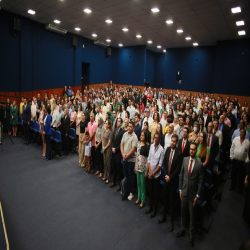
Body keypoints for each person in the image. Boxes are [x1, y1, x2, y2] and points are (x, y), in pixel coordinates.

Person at [176, 142, 204, 247]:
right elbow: (182, 175)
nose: (191, 151)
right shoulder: (184, 160)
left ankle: (191, 236)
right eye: (190, 149)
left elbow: (201, 181)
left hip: (192, 194)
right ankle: (182, 229)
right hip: (183, 192)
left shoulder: (199, 165)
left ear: (196, 151)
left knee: (192, 216)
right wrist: (180, 190)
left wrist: (197, 196)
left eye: (193, 149)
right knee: (183, 212)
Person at [159, 134, 183, 232]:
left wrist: (170, 177)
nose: (172, 142)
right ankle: (164, 216)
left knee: (172, 202)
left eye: (174, 141)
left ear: (176, 143)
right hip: (166, 179)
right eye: (171, 141)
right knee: (165, 199)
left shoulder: (179, 154)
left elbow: (178, 169)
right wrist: (165, 175)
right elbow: (164, 163)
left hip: (173, 181)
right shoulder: (168, 149)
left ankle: (171, 221)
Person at [145, 132, 164, 218]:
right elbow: (149, 159)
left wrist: (153, 173)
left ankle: (155, 209)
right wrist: (148, 171)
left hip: (156, 176)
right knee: (150, 191)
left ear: (159, 140)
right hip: (150, 173)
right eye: (154, 137)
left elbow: (160, 165)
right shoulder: (151, 146)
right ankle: (150, 206)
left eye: (157, 138)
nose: (155, 139)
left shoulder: (162, 150)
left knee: (156, 193)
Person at [121, 122, 138, 201]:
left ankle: (131, 192)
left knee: (131, 177)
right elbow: (121, 144)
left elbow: (133, 149)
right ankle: (126, 190)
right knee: (126, 176)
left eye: (131, 127)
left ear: (133, 128)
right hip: (124, 159)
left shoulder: (135, 137)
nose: (129, 128)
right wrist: (123, 154)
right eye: (128, 126)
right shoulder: (125, 134)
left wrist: (126, 156)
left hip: (131, 161)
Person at [230, 129, 249, 194]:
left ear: (245, 134)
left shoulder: (247, 143)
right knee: (233, 173)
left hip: (242, 162)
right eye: (241, 132)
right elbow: (232, 148)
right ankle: (232, 185)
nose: (241, 133)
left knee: (241, 175)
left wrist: (246, 161)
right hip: (235, 160)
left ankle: (240, 188)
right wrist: (231, 157)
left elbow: (248, 153)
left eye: (243, 132)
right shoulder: (235, 139)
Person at [134, 131, 149, 209]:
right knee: (138, 184)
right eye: (141, 135)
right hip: (138, 166)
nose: (141, 136)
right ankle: (139, 198)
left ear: (145, 136)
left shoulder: (147, 146)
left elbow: (147, 159)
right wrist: (135, 166)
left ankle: (143, 200)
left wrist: (146, 170)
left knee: (143, 186)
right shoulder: (138, 143)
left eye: (143, 135)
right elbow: (137, 155)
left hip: (143, 168)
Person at [111, 118, 125, 190]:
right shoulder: (115, 130)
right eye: (117, 122)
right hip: (113, 152)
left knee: (118, 169)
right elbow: (113, 140)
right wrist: (112, 147)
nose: (117, 123)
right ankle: (113, 181)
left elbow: (121, 143)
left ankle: (119, 184)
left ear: (122, 123)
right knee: (114, 168)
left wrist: (116, 149)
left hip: (118, 153)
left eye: (119, 122)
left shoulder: (123, 132)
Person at [102, 119, 113, 184]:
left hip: (108, 149)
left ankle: (108, 177)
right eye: (105, 123)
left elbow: (109, 142)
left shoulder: (110, 132)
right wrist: (103, 147)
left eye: (106, 123)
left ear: (109, 125)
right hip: (104, 149)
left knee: (108, 163)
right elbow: (103, 139)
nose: (105, 124)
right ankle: (105, 175)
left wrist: (105, 147)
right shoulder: (105, 131)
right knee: (105, 162)